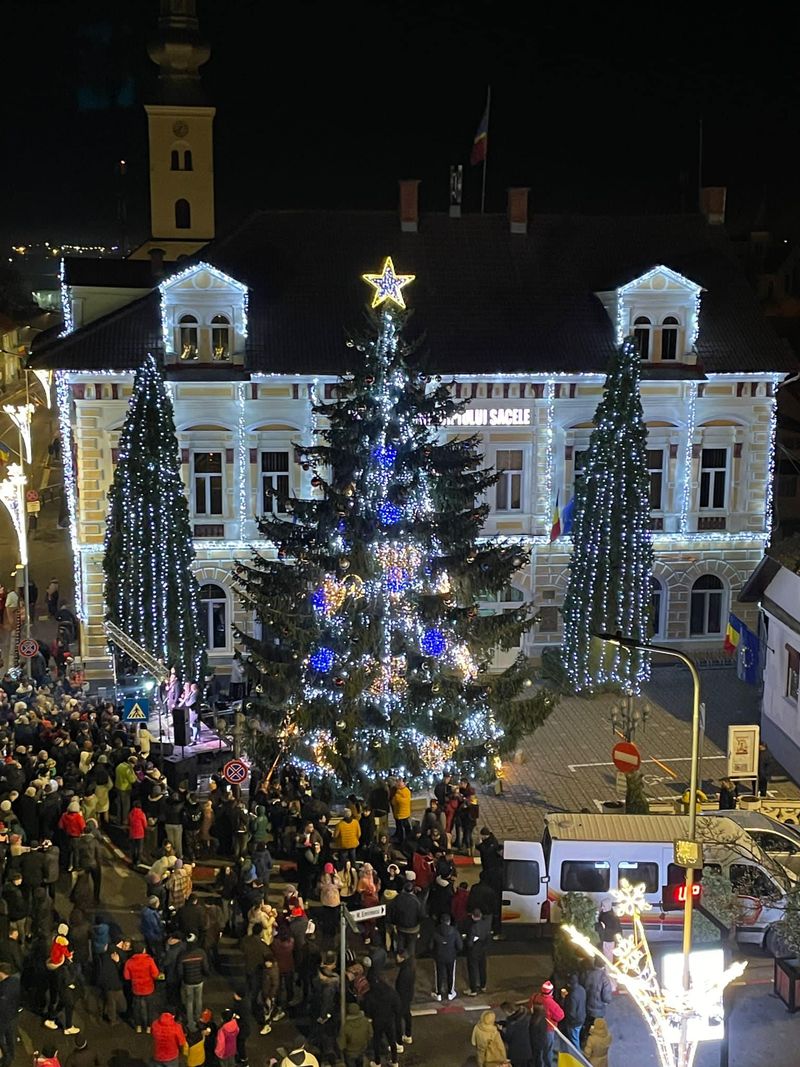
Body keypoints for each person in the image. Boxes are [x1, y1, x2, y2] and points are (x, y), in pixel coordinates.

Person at [123, 942, 161, 1033]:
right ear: (143, 950)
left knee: (137, 1008)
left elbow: (127, 977)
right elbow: (155, 974)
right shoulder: (149, 960)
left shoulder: (129, 962)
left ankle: (138, 1026)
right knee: (150, 1008)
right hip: (148, 988)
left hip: (136, 989)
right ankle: (148, 1027)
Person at [431, 913, 462, 1002]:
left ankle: (439, 994)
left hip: (439, 956)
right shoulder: (455, 932)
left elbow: (430, 946)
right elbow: (460, 946)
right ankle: (450, 993)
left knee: (439, 974)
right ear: (449, 921)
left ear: (441, 921)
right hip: (451, 956)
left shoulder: (435, 931)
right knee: (451, 974)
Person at [464, 907, 492, 996]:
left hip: (474, 951)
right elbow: (488, 937)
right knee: (482, 967)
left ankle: (473, 990)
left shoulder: (473, 927)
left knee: (472, 969)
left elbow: (470, 942)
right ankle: (483, 986)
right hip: (483, 949)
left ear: (473, 916)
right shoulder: (485, 924)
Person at [583, 958, 613, 1038]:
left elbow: (585, 988)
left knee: (588, 1024)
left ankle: (585, 1038)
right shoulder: (605, 979)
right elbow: (606, 997)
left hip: (588, 1006)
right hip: (598, 1010)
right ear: (603, 966)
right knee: (597, 1027)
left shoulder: (589, 974)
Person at [338, 1001, 373, 1067]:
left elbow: (342, 1042)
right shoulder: (365, 1021)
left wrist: (341, 1049)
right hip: (362, 1049)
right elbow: (370, 1034)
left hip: (350, 1052)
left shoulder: (346, 1026)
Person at [0, 961, 21, 1065]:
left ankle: (7, 1057)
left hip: (3, 1020)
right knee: (11, 1037)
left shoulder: (3, 988)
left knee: (2, 1039)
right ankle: (11, 1055)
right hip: (13, 1015)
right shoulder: (16, 981)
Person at [499, 1002, 533, 1067]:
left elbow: (507, 1038)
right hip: (528, 1049)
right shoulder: (525, 1016)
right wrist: (503, 1023)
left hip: (517, 1053)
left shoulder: (512, 1023)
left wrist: (500, 1031)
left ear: (507, 1012)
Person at [562, 972, 587, 1053]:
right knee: (577, 1035)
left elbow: (571, 1013)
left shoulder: (572, 996)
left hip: (574, 1022)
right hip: (582, 1017)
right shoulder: (581, 989)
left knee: (574, 1038)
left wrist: (564, 998)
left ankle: (577, 1055)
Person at [394, 951, 415, 1047]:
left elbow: (400, 986)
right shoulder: (410, 968)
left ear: (402, 958)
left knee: (398, 1019)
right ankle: (408, 1034)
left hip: (402, 997)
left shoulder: (404, 971)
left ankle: (399, 1042)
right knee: (407, 1015)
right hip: (408, 996)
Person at [596, 898, 622, 966]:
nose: (602, 907)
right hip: (605, 939)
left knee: (608, 957)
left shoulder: (611, 918)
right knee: (606, 956)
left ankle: (608, 972)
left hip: (609, 940)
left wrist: (603, 928)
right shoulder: (608, 915)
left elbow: (615, 930)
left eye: (603, 906)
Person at [530, 1002, 553, 1067]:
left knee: (537, 1058)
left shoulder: (533, 1021)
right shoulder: (543, 1018)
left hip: (535, 1043)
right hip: (541, 1042)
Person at [390, 778, 412, 843]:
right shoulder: (397, 791)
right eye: (398, 782)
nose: (398, 783)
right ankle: (400, 839)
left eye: (400, 782)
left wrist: (397, 798)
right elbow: (393, 802)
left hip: (404, 814)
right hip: (397, 814)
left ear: (404, 783)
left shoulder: (406, 791)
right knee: (399, 828)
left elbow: (403, 801)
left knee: (405, 827)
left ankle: (407, 840)